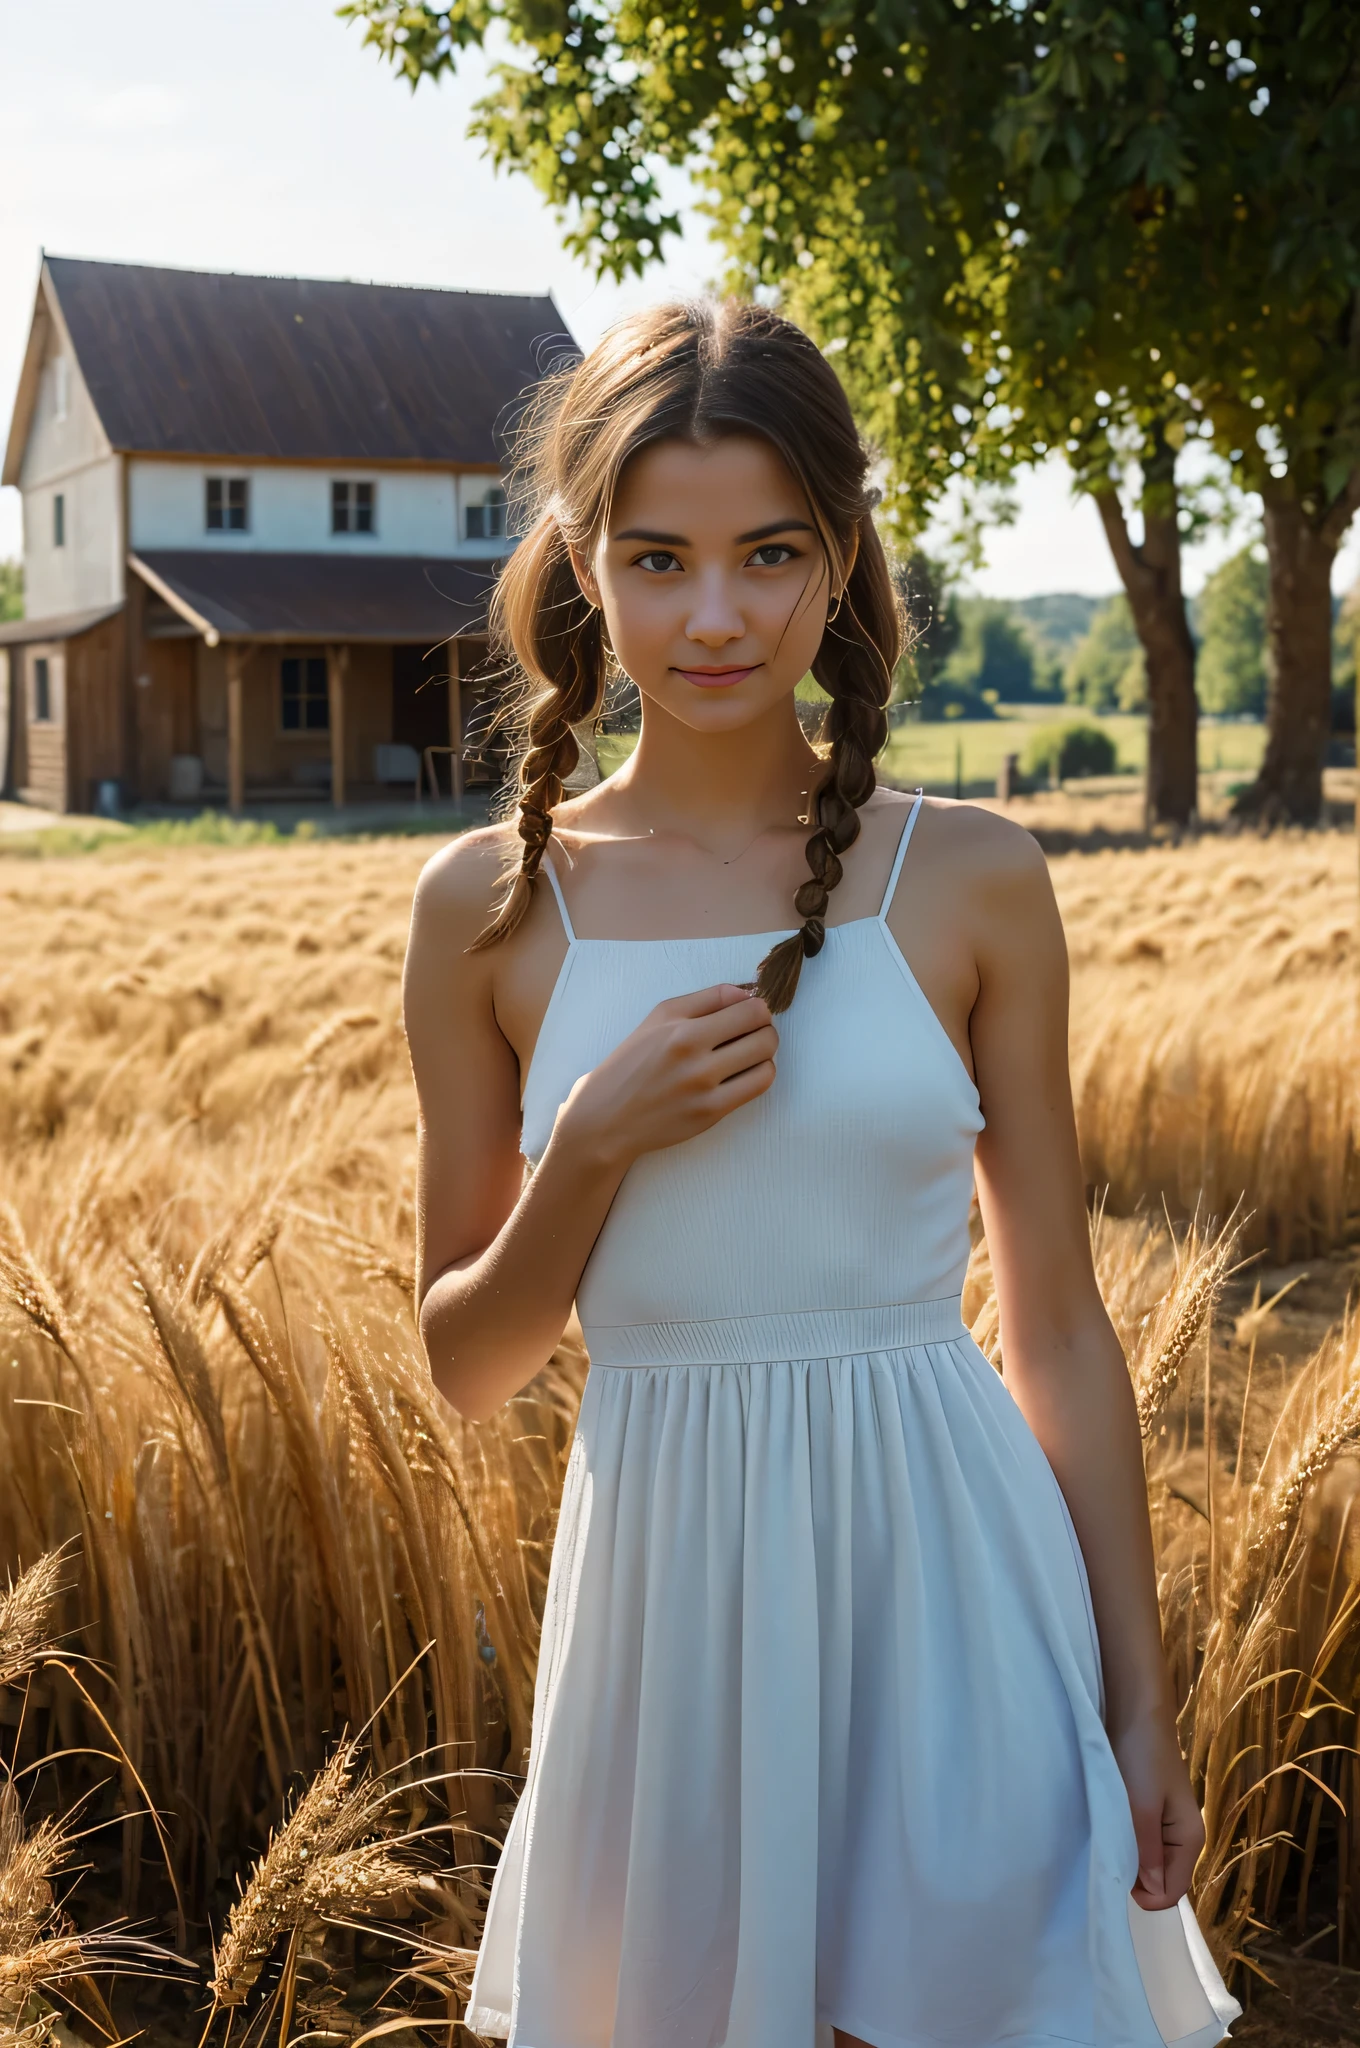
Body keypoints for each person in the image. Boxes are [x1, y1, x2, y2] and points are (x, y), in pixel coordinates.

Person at [402, 300, 1240, 2048]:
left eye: (772, 554)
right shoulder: (486, 911)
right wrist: (591, 1148)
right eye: (659, 559)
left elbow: (1061, 1332)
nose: (716, 616)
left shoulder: (976, 879)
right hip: (669, 1626)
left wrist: (1139, 1701)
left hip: (957, 1599)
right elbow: (468, 1367)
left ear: (843, 555)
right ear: (584, 565)